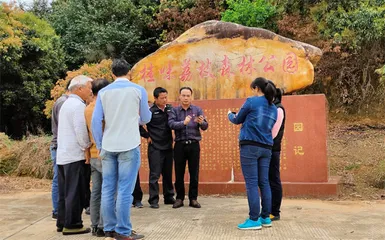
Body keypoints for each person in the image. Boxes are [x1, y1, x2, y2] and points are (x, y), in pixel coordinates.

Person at [92, 58, 151, 240]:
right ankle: (123, 230)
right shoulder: (138, 90)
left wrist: (100, 145)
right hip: (129, 145)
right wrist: (136, 119)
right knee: (125, 190)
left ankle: (109, 228)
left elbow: (96, 121)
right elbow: (146, 118)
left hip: (108, 146)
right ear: (129, 72)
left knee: (108, 188)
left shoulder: (103, 92)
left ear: (112, 74)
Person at [227, 77, 277, 230]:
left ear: (256, 88)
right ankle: (265, 218)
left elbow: (237, 119)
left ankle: (253, 219)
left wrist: (230, 114)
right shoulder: (273, 107)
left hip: (250, 146)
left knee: (251, 183)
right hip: (267, 147)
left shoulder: (251, 101)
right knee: (264, 182)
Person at [56, 75, 93, 235]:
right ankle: (73, 224)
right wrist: (87, 147)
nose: (90, 91)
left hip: (64, 155)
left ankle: (62, 222)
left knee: (65, 192)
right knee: (75, 192)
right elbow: (80, 130)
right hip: (75, 155)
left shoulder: (66, 103)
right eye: (89, 88)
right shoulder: (77, 105)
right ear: (79, 88)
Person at [168, 87, 208, 209]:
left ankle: (193, 198)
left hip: (194, 144)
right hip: (180, 144)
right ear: (179, 96)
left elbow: (205, 126)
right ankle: (179, 198)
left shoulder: (197, 110)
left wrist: (202, 122)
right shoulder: (174, 111)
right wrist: (183, 123)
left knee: (194, 172)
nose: (186, 98)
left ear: (191, 97)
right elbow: (171, 124)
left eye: (188, 95)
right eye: (183, 95)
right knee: (179, 172)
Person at [140, 87, 175, 209]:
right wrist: (147, 136)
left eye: (166, 97)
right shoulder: (150, 111)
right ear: (155, 98)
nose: (165, 100)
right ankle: (153, 199)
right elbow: (138, 124)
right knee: (154, 174)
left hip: (168, 145)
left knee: (168, 173)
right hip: (155, 147)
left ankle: (169, 197)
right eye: (162, 98)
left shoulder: (170, 109)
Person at [85, 78, 110, 237]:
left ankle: (95, 225)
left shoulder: (87, 108)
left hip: (93, 155)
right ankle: (102, 225)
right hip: (103, 154)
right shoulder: (100, 109)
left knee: (96, 191)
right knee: (108, 191)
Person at [50, 80, 70, 220]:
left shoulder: (62, 101)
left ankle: (59, 209)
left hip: (59, 145)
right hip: (59, 146)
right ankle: (57, 210)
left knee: (60, 178)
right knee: (59, 179)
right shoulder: (64, 102)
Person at [269, 88, 285, 221]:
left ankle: (275, 211)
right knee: (267, 180)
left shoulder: (279, 109)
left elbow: (273, 133)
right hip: (267, 148)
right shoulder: (272, 108)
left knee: (274, 180)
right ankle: (268, 209)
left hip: (273, 149)